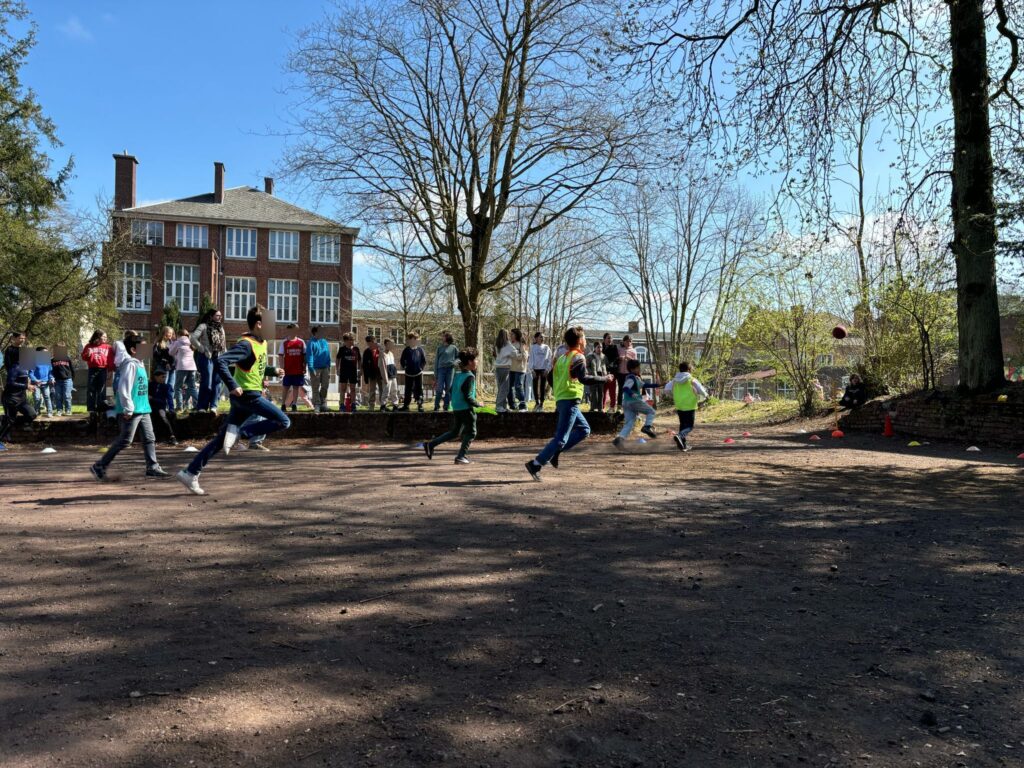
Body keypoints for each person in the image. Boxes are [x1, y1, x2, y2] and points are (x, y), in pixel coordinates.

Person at [176, 305, 289, 496]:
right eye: (271, 324)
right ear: (259, 324)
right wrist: (232, 384)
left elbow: (254, 366)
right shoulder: (246, 344)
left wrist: (272, 370)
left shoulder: (260, 343)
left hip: (244, 397)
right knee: (283, 421)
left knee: (221, 439)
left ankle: (190, 472)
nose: (274, 327)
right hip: (248, 395)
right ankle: (241, 433)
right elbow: (221, 361)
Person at [524, 326, 612, 481]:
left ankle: (555, 452)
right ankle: (536, 463)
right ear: (579, 341)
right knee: (560, 438)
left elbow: (550, 378)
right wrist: (605, 378)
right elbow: (584, 378)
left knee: (584, 429)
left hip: (564, 399)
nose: (585, 340)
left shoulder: (562, 358)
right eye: (584, 338)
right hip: (569, 400)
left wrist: (560, 391)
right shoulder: (578, 357)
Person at [90, 332, 169, 480]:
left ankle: (152, 467)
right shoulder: (130, 365)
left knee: (149, 438)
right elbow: (123, 388)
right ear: (133, 350)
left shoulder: (140, 364)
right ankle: (99, 465)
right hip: (132, 410)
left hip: (143, 408)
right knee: (125, 440)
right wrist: (128, 408)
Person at [423, 347, 481, 464]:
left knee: (455, 432)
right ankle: (461, 456)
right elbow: (468, 397)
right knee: (471, 432)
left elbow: (450, 390)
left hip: (457, 408)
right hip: (466, 409)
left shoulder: (457, 375)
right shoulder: (470, 377)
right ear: (470, 362)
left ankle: (431, 444)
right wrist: (478, 404)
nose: (477, 361)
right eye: (476, 359)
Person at [0, 331, 36, 445]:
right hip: (11, 396)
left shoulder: (26, 353)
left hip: (21, 396)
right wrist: (25, 384)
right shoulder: (10, 353)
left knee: (31, 414)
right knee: (10, 420)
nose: (23, 340)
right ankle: (3, 437)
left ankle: (10, 422)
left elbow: (30, 370)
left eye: (24, 338)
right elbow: (10, 374)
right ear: (14, 338)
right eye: (21, 338)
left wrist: (31, 380)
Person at [613, 359, 658, 447]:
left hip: (626, 403)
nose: (639, 369)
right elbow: (625, 388)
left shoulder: (636, 378)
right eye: (638, 368)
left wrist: (658, 385)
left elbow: (645, 385)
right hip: (634, 401)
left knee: (629, 422)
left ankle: (619, 439)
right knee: (651, 411)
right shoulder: (631, 377)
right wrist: (632, 394)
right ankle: (647, 427)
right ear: (632, 369)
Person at [664, 361, 708, 451]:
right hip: (690, 404)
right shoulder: (691, 379)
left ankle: (683, 445)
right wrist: (706, 395)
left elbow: (666, 389)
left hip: (679, 405)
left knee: (683, 424)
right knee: (689, 426)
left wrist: (673, 395)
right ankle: (680, 436)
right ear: (689, 370)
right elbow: (701, 389)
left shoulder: (674, 380)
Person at [193, 309, 226, 411]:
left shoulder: (221, 328)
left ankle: (213, 406)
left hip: (219, 357)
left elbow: (223, 344)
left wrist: (225, 356)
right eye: (217, 315)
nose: (220, 317)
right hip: (206, 357)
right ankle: (202, 406)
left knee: (217, 382)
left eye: (220, 315)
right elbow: (192, 338)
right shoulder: (203, 326)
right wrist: (202, 349)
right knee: (207, 382)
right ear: (211, 316)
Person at [81, 330, 115, 418]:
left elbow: (111, 360)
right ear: (98, 337)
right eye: (103, 336)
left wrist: (110, 370)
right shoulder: (89, 346)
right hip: (92, 369)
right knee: (91, 389)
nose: (105, 338)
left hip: (103, 369)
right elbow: (84, 357)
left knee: (102, 390)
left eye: (106, 337)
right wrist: (88, 354)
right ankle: (91, 409)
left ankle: (101, 409)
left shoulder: (108, 347)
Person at [277, 325, 307, 412]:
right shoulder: (284, 342)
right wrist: (282, 368)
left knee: (296, 388)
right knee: (285, 387)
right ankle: (283, 405)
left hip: (298, 370)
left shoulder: (301, 342)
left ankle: (294, 404)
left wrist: (304, 367)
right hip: (287, 370)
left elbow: (305, 356)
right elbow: (280, 355)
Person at [169, 329, 198, 411]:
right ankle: (199, 404)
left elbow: (171, 352)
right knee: (192, 387)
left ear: (178, 335)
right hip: (192, 367)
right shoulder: (191, 343)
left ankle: (179, 406)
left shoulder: (177, 342)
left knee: (178, 387)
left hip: (182, 367)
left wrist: (172, 344)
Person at [148, 369, 178, 446]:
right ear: (156, 377)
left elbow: (169, 399)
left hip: (160, 406)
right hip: (150, 407)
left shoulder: (166, 386)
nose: (164, 379)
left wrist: (171, 408)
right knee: (151, 419)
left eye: (165, 377)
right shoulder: (150, 385)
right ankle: (152, 438)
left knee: (163, 417)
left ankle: (172, 436)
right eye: (162, 377)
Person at [306, 326, 332, 412]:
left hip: (325, 368)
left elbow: (327, 354)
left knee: (325, 386)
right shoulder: (311, 343)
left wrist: (329, 367)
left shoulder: (324, 342)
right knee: (315, 387)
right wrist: (311, 368)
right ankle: (317, 404)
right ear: (315, 332)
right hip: (315, 368)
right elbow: (309, 356)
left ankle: (322, 403)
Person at [399, 332, 427, 411]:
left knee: (419, 389)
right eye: (410, 339)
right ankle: (406, 406)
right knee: (408, 390)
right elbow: (402, 360)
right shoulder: (406, 350)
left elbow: (424, 361)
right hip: (408, 374)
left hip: (418, 374)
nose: (417, 340)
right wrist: (405, 367)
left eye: (417, 339)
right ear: (411, 340)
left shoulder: (420, 350)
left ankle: (420, 405)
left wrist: (421, 368)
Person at [152, 326, 176, 412]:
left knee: (171, 387)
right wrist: (165, 362)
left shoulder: (172, 343)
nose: (170, 335)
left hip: (172, 367)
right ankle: (162, 406)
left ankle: (171, 408)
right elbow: (156, 356)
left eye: (171, 333)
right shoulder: (158, 343)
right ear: (164, 333)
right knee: (163, 386)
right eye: (169, 333)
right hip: (163, 367)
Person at [433, 332, 459, 412]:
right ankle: (436, 406)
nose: (442, 337)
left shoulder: (454, 348)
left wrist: (455, 363)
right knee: (439, 389)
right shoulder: (439, 348)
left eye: (444, 336)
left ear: (448, 337)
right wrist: (435, 373)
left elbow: (459, 358)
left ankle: (446, 406)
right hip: (441, 369)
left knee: (449, 388)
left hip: (450, 369)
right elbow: (436, 361)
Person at [336, 332, 361, 412]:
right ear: (346, 341)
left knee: (353, 389)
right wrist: (337, 369)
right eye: (350, 340)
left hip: (353, 372)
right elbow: (337, 359)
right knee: (343, 388)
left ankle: (353, 405)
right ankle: (341, 405)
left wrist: (360, 369)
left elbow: (359, 360)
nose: (352, 341)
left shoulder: (356, 349)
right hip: (344, 371)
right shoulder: (342, 349)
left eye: (353, 339)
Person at [528, 332, 553, 411]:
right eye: (540, 337)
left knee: (542, 386)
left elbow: (550, 359)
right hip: (535, 369)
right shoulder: (533, 347)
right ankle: (537, 402)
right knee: (535, 386)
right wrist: (531, 370)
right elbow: (531, 359)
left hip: (543, 369)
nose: (542, 338)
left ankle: (541, 403)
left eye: (543, 337)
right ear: (536, 338)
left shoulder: (546, 347)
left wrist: (547, 369)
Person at [50, 346, 75, 417]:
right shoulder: (52, 360)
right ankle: (59, 410)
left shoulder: (67, 358)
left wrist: (72, 380)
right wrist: (52, 378)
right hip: (57, 380)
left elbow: (72, 370)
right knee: (58, 396)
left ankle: (68, 410)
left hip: (67, 380)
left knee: (67, 396)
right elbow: (51, 370)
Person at [494, 329, 515, 413]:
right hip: (505, 368)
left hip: (498, 368)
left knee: (501, 388)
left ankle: (503, 406)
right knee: (504, 389)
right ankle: (499, 406)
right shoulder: (507, 345)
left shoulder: (497, 344)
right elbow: (514, 353)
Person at [508, 329, 528, 411]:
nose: (511, 336)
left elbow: (525, 356)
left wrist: (516, 355)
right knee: (510, 388)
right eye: (510, 334)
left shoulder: (522, 344)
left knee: (518, 387)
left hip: (520, 369)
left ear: (516, 335)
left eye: (512, 334)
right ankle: (512, 405)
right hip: (510, 369)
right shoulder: (509, 344)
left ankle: (523, 406)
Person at [361, 335, 384, 411]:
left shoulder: (379, 350)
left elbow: (385, 359)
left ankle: (382, 405)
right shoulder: (366, 351)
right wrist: (365, 375)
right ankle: (371, 406)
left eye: (371, 343)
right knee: (372, 390)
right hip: (372, 373)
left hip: (380, 373)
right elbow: (364, 364)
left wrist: (380, 349)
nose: (369, 345)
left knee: (382, 389)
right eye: (368, 343)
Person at [30, 347, 53, 417]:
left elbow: (50, 372)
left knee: (47, 397)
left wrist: (51, 378)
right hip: (36, 384)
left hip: (45, 383)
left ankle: (50, 412)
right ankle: (37, 412)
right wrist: (35, 380)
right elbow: (30, 373)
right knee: (37, 398)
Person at [616, 335, 637, 410]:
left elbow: (635, 364)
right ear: (624, 341)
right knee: (620, 390)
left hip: (629, 373)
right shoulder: (619, 349)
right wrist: (619, 359)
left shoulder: (633, 351)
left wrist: (629, 359)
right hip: (620, 373)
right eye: (627, 341)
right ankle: (619, 407)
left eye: (630, 341)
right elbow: (615, 360)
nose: (629, 343)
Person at [585, 340, 608, 412]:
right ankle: (592, 408)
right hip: (593, 375)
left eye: (601, 347)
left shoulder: (604, 356)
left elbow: (606, 365)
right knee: (593, 392)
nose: (600, 349)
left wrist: (606, 373)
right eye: (598, 347)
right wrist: (590, 372)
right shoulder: (590, 356)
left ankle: (600, 408)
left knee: (601, 392)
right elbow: (587, 366)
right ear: (594, 348)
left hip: (601, 375)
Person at [602, 333, 620, 411]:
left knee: (612, 391)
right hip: (602, 373)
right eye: (608, 338)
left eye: (611, 338)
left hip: (612, 372)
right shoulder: (601, 347)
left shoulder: (614, 347)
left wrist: (611, 365)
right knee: (603, 391)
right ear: (604, 339)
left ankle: (612, 407)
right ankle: (602, 407)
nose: (610, 340)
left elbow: (616, 358)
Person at [381, 338, 400, 411]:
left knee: (394, 390)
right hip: (387, 376)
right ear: (386, 344)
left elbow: (393, 364)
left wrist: (395, 373)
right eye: (390, 344)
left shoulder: (391, 353)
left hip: (393, 375)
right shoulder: (382, 354)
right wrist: (384, 377)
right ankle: (383, 406)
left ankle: (395, 405)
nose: (392, 345)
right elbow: (382, 367)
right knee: (386, 391)